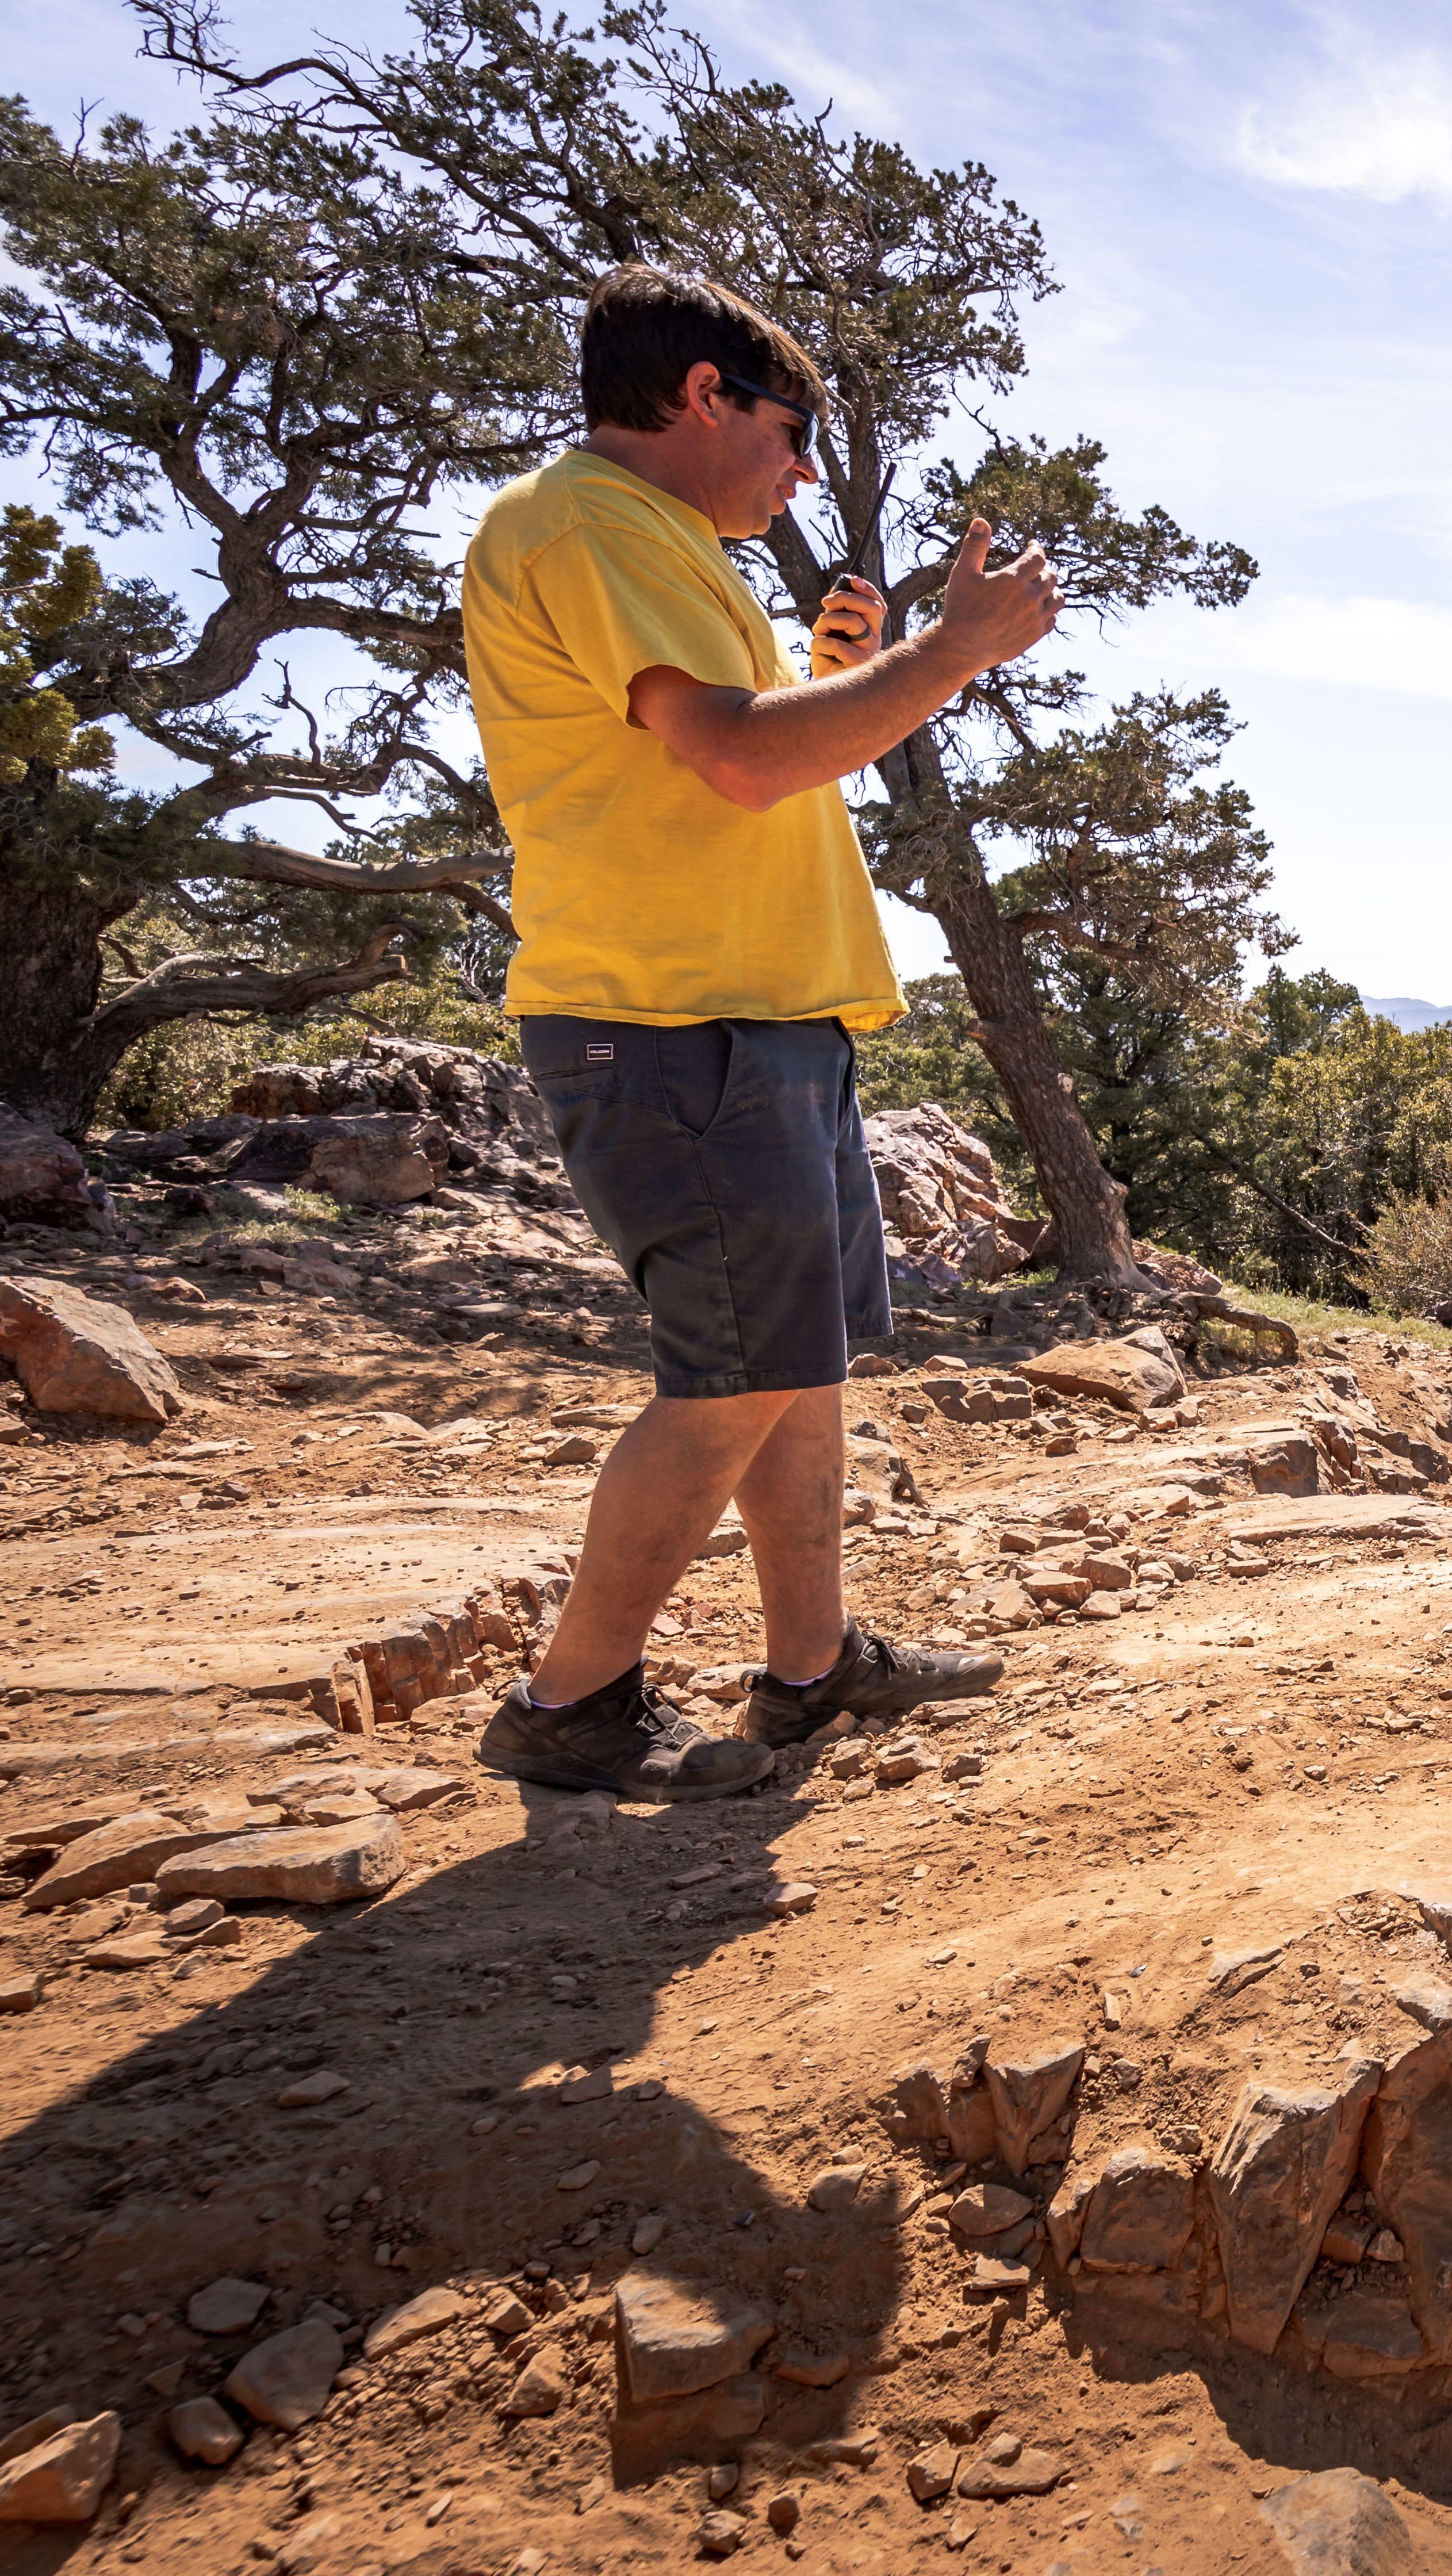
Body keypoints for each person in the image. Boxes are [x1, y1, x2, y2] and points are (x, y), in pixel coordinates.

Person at [457, 264, 1064, 1799]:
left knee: (790, 1369)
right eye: (789, 433)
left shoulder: (659, 542)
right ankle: (571, 1705)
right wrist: (956, 653)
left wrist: (843, 681)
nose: (801, 471)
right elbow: (732, 764)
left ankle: (812, 1669)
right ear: (704, 397)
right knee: (731, 1376)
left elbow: (739, 765)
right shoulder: (593, 521)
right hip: (679, 1025)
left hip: (750, 1020)